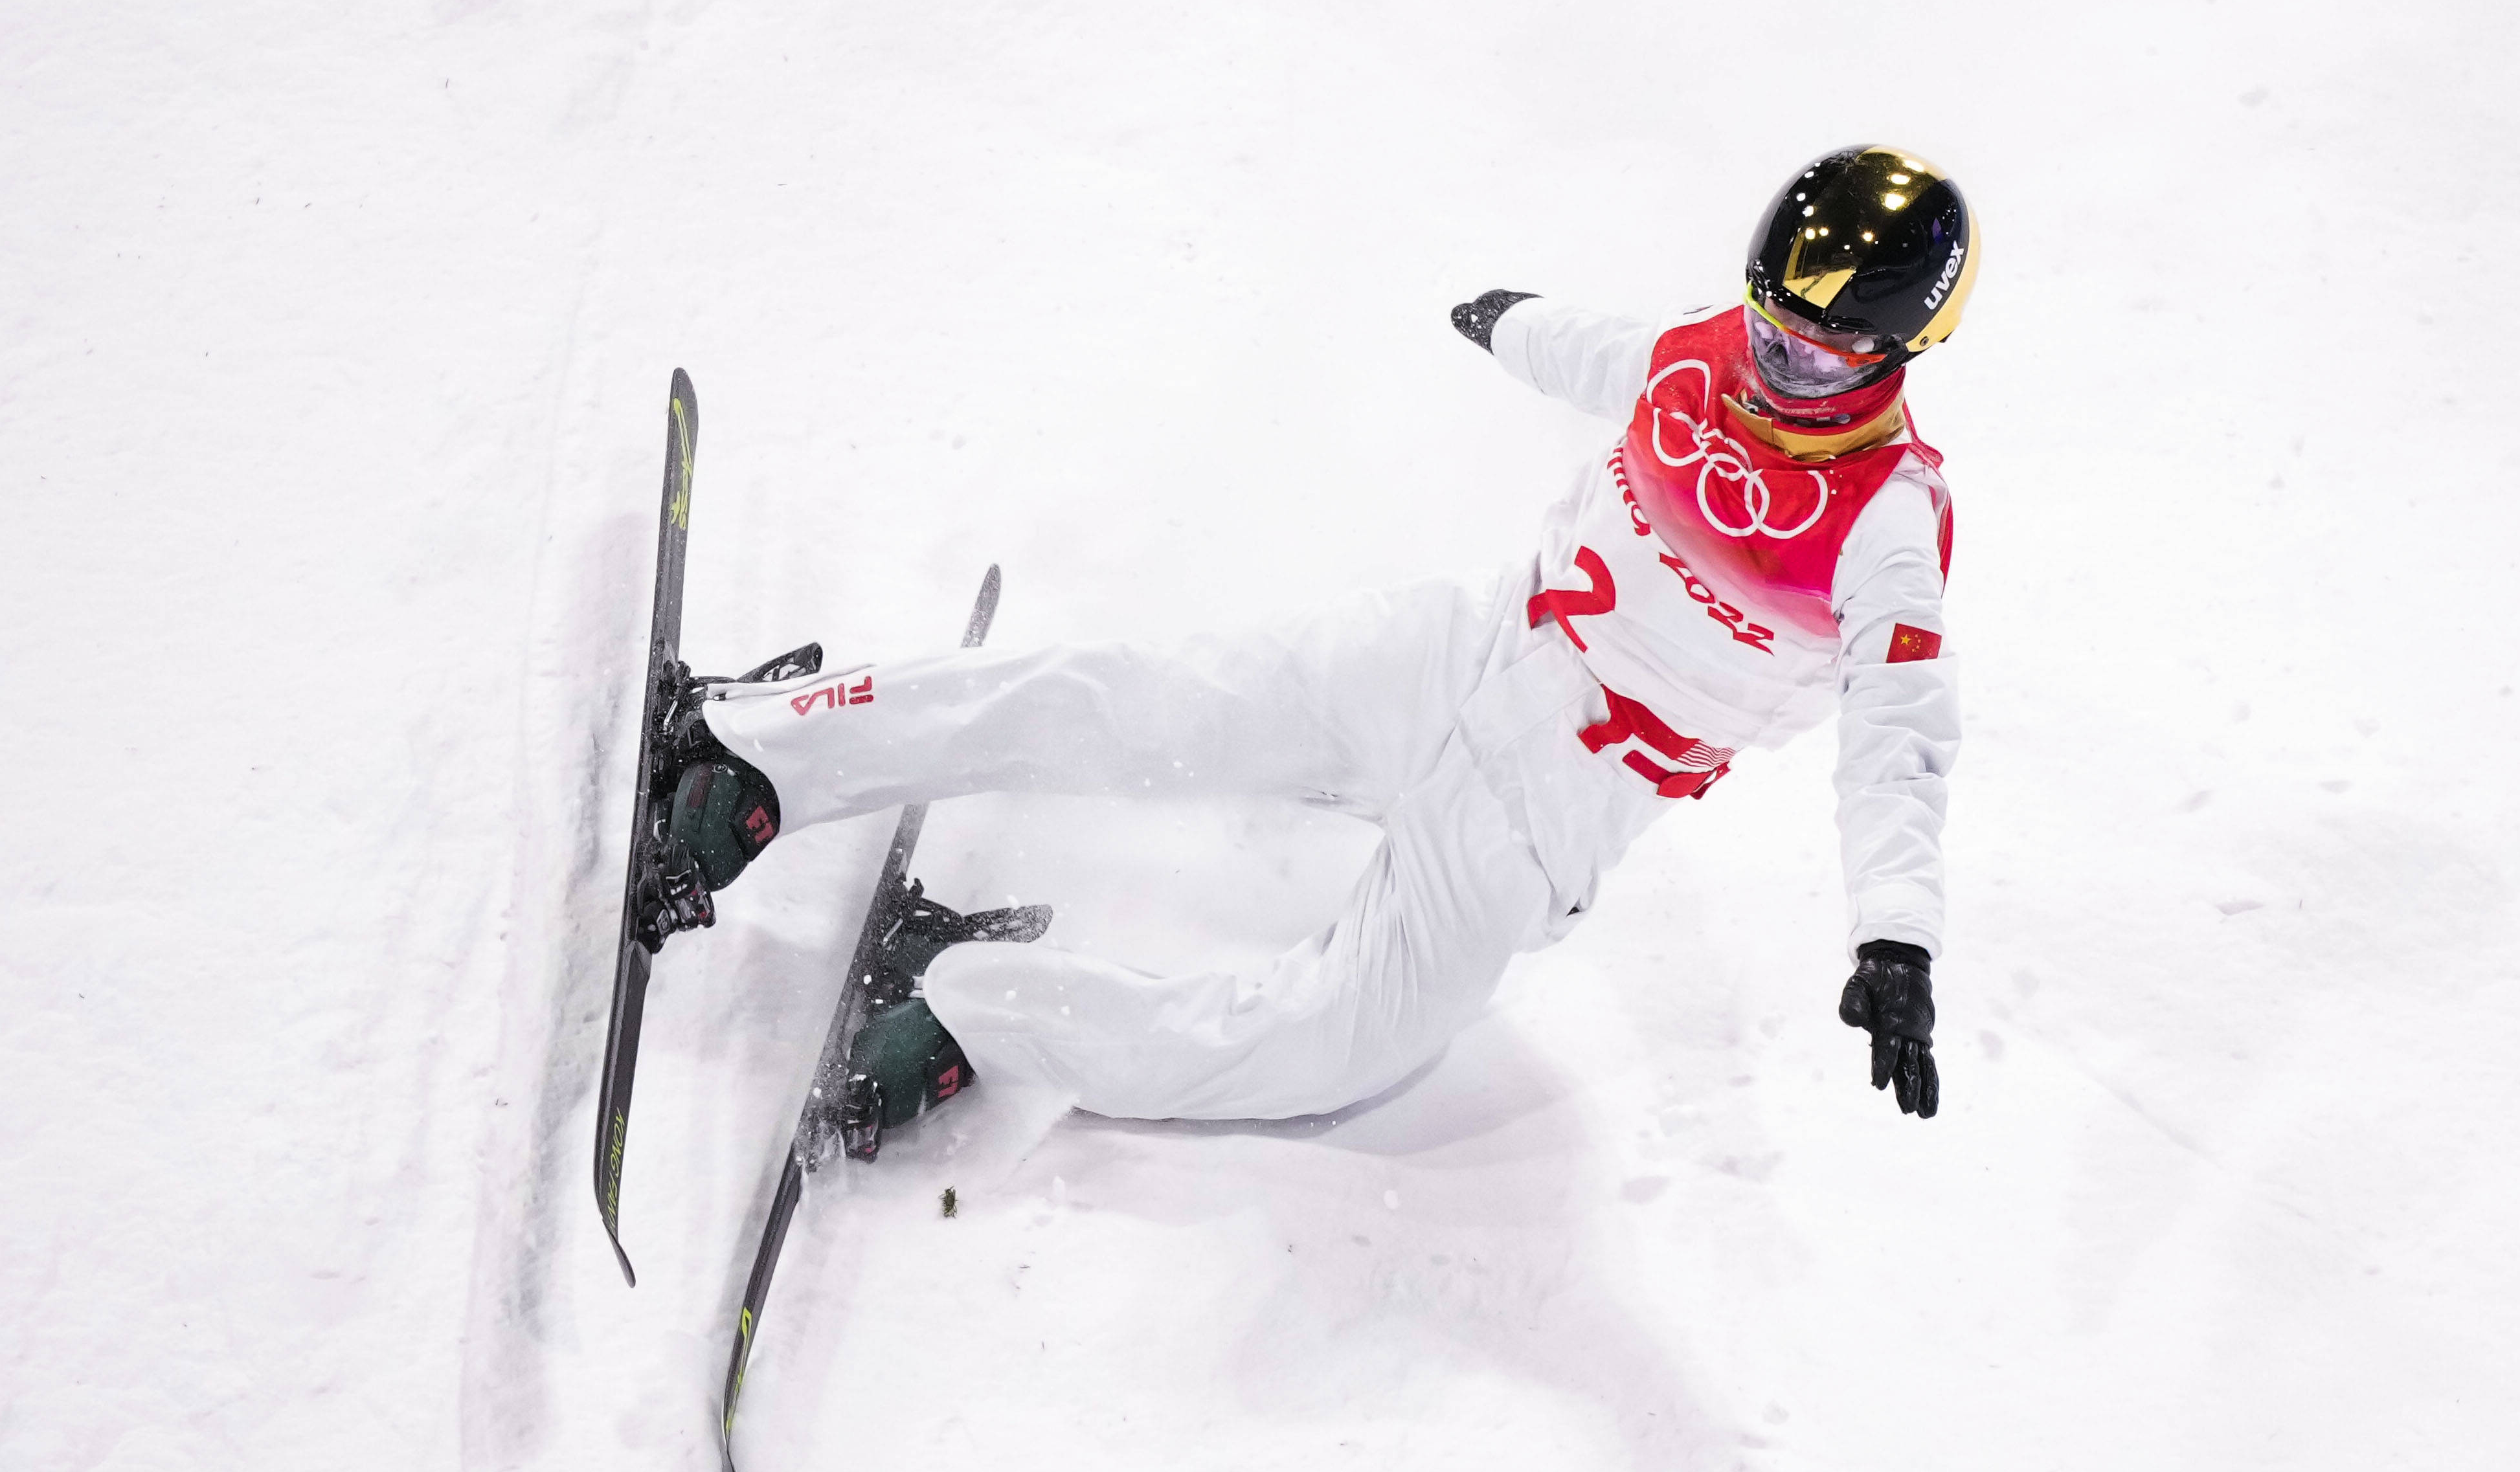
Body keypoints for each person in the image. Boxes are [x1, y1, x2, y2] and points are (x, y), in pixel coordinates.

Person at [659, 143, 1977, 1151]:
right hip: (1464, 653)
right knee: (1144, 706)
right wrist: (1507, 320)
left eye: (1811, 364)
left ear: (1897, 356)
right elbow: (1615, 355)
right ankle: (759, 756)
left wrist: (1896, 942)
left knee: (1339, 1045)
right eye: (1765, 332)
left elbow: (1899, 749)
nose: (1769, 377)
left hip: (1556, 798)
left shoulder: (1890, 530)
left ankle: (969, 1011)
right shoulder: (1707, 355)